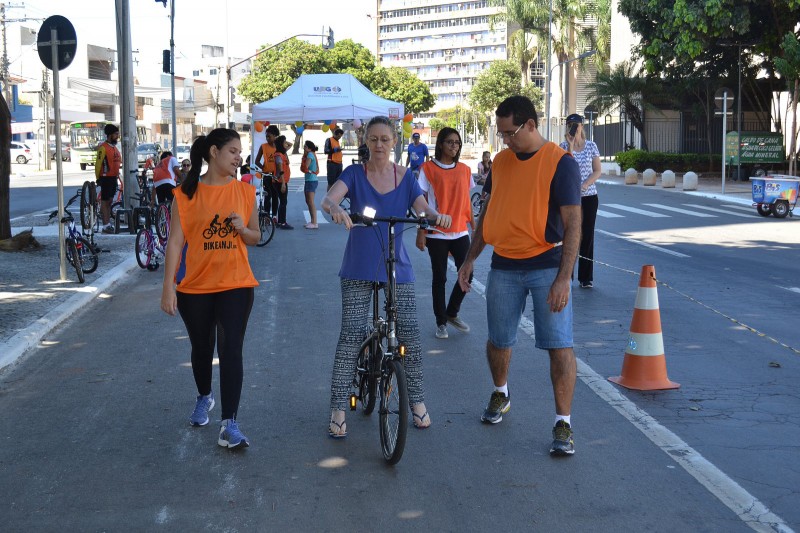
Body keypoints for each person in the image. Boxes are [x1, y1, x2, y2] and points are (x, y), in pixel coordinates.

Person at [457, 95, 582, 456]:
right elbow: (487, 216)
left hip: (547, 265)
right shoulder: (500, 162)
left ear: (531, 124)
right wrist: (468, 261)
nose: (506, 141)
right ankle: (501, 393)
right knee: (498, 341)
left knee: (559, 347)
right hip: (504, 266)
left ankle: (563, 423)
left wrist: (564, 277)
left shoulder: (561, 163)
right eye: (501, 135)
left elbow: (574, 223)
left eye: (510, 133)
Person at [321, 115, 452, 438]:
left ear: (395, 142)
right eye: (374, 139)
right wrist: (334, 209)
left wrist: (437, 217)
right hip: (358, 265)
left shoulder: (407, 177)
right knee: (351, 335)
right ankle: (339, 407)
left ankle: (417, 401)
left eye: (385, 139)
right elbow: (329, 199)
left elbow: (423, 209)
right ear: (365, 141)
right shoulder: (354, 173)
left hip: (397, 265)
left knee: (410, 334)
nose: (379, 145)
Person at [160, 128, 260, 451]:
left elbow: (255, 236)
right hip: (195, 287)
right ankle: (205, 395)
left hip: (236, 283)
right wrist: (168, 287)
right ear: (214, 153)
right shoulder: (186, 194)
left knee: (231, 349)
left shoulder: (246, 193)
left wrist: (242, 229)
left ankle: (229, 423)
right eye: (233, 151)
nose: (238, 158)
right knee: (203, 350)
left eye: (239, 152)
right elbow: (175, 243)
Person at [415, 127, 476, 340]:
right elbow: (420, 202)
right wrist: (421, 230)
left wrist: (473, 223)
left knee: (467, 273)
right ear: (440, 144)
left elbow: (466, 200)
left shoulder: (465, 170)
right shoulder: (428, 169)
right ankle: (441, 321)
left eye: (457, 143)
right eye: (450, 142)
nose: (454, 146)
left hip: (460, 231)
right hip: (436, 232)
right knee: (439, 278)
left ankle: (452, 312)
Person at [560, 113, 601, 289]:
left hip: (589, 196)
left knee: (587, 235)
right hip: (570, 198)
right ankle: (566, 275)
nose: (573, 127)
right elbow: (565, 168)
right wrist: (570, 145)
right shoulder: (562, 146)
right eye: (570, 124)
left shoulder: (591, 146)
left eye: (576, 125)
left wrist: (584, 185)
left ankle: (586, 277)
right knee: (569, 235)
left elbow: (597, 170)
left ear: (582, 127)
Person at [94, 123, 121, 233]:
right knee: (105, 202)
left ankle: (107, 221)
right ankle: (106, 225)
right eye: (115, 134)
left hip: (113, 177)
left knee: (110, 201)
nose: (117, 136)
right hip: (105, 177)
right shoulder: (103, 148)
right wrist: (98, 178)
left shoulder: (114, 147)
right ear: (110, 135)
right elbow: (98, 163)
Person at [255, 124, 280, 222]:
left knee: (275, 196)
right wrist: (263, 168)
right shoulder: (263, 146)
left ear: (275, 136)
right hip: (266, 175)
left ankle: (274, 216)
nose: (267, 138)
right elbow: (257, 161)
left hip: (276, 175)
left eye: (269, 136)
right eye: (266, 136)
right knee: (267, 196)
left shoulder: (278, 147)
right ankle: (266, 217)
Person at [274, 135, 292, 229]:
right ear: (281, 144)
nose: (286, 144)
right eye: (284, 143)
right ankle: (282, 222)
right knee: (283, 202)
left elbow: (291, 144)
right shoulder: (278, 156)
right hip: (280, 181)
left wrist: (283, 141)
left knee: (283, 201)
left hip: (282, 181)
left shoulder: (283, 153)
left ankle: (281, 221)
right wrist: (283, 184)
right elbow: (280, 170)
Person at [301, 140, 320, 229]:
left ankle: (314, 222)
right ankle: (312, 221)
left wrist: (304, 158)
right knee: (308, 201)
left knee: (311, 201)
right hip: (309, 179)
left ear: (309, 148)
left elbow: (305, 167)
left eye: (305, 146)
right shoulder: (311, 154)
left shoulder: (310, 155)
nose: (304, 148)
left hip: (311, 180)